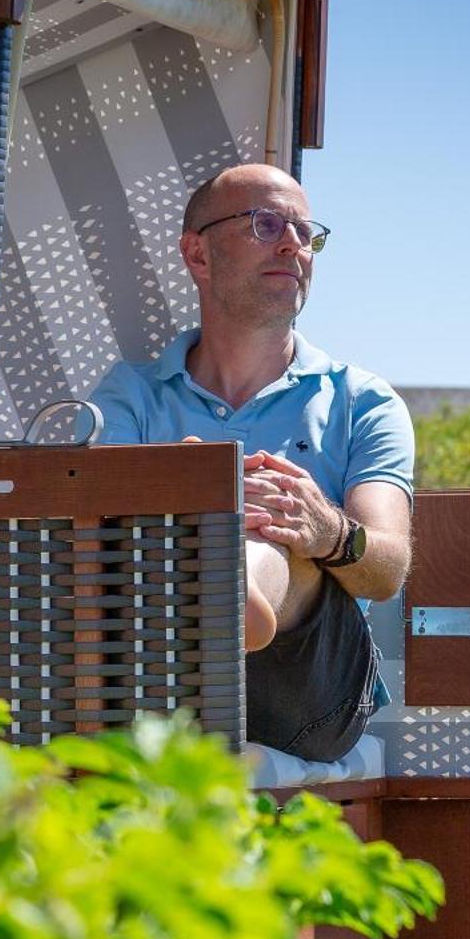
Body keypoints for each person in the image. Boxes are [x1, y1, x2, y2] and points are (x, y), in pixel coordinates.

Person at [87, 164, 413, 762]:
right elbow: (92, 543)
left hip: (309, 700)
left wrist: (325, 530)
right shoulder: (128, 395)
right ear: (199, 254)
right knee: (226, 508)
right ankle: (217, 604)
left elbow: (388, 570)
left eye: (305, 232)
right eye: (267, 224)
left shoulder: (362, 400)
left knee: (275, 515)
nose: (294, 244)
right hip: (148, 663)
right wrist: (179, 497)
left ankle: (224, 601)